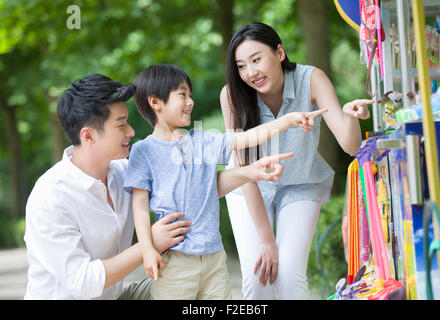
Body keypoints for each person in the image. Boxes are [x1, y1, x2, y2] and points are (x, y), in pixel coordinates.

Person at [125, 63, 326, 299]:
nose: (190, 102)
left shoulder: (202, 142)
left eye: (190, 95)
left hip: (214, 259)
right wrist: (148, 249)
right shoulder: (143, 151)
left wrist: (289, 119)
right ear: (155, 102)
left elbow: (248, 137)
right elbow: (139, 206)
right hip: (175, 260)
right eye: (182, 95)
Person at [220, 22, 374, 300]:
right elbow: (244, 170)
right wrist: (267, 240)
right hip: (248, 187)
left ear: (279, 52)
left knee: (289, 276)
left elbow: (351, 145)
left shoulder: (311, 79)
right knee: (258, 281)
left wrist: (350, 116)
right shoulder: (233, 95)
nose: (251, 72)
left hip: (301, 182)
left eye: (257, 59)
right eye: (242, 66)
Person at [23, 74, 192, 300]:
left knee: (190, 279)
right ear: (88, 135)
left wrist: (246, 171)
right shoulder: (51, 196)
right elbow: (82, 282)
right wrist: (148, 243)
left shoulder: (124, 172)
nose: (131, 131)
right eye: (121, 124)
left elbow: (185, 184)